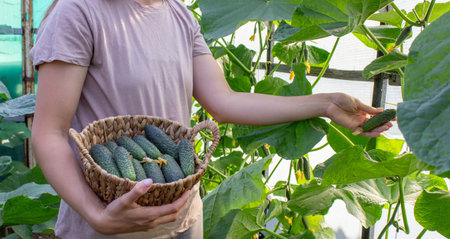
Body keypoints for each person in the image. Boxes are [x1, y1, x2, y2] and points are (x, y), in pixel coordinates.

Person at [29, 0, 392, 238]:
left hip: (182, 217)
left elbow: (224, 101)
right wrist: (96, 215)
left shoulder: (179, 16)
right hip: (106, 225)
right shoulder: (78, 12)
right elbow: (49, 133)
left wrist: (326, 103)